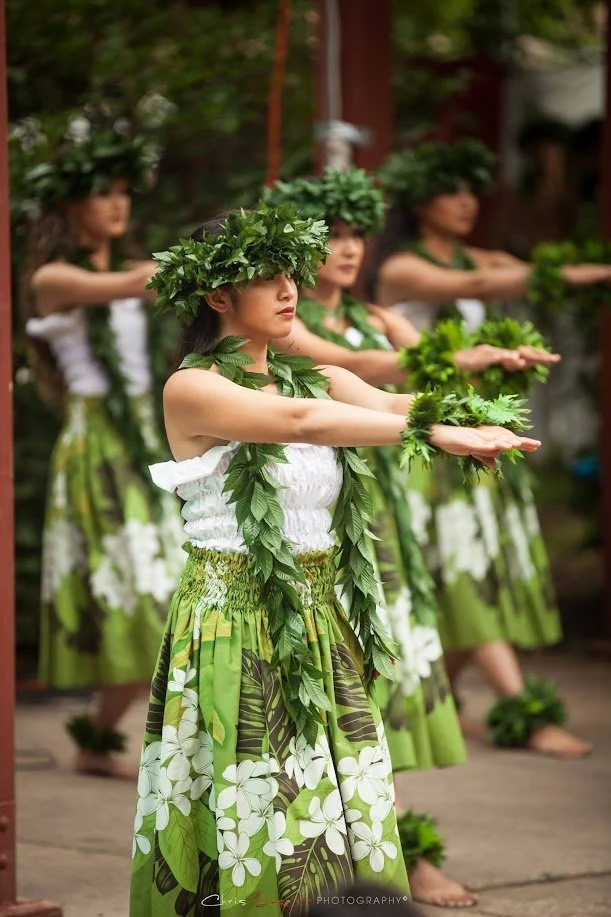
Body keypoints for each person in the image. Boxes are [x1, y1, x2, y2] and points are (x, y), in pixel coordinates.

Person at [128, 203, 538, 916]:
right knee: (260, 797)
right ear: (218, 295)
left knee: (337, 797)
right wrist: (432, 433)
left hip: (322, 619)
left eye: (292, 272)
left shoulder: (306, 373)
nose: (290, 289)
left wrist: (474, 407)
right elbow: (300, 424)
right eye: (267, 276)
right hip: (234, 622)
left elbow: (385, 396)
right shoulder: (192, 387)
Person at [264, 167, 559, 908]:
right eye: (329, 235)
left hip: (384, 515)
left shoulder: (375, 313)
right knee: (346, 681)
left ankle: (395, 849)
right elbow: (360, 371)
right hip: (319, 521)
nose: (347, 247)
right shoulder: (287, 328)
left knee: (388, 673)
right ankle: (379, 856)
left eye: (356, 232)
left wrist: (482, 376)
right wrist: (451, 363)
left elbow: (412, 376)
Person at [370, 139, 610, 758]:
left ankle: (440, 703)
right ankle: (522, 710)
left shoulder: (474, 254)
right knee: (464, 567)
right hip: (431, 439)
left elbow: (503, 268)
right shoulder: (402, 268)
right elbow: (481, 281)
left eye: (471, 190)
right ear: (420, 202)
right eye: (451, 191)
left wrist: (576, 268)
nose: (466, 202)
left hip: (477, 433)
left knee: (467, 567)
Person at [22, 120, 186, 778]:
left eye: (125, 193)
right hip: (98, 448)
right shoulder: (52, 278)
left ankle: (99, 737)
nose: (119, 205)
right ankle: (110, 737)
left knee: (169, 584)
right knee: (133, 588)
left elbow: (138, 287)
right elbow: (129, 285)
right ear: (69, 207)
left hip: (146, 435)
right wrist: (198, 260)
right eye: (103, 193)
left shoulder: (126, 270)